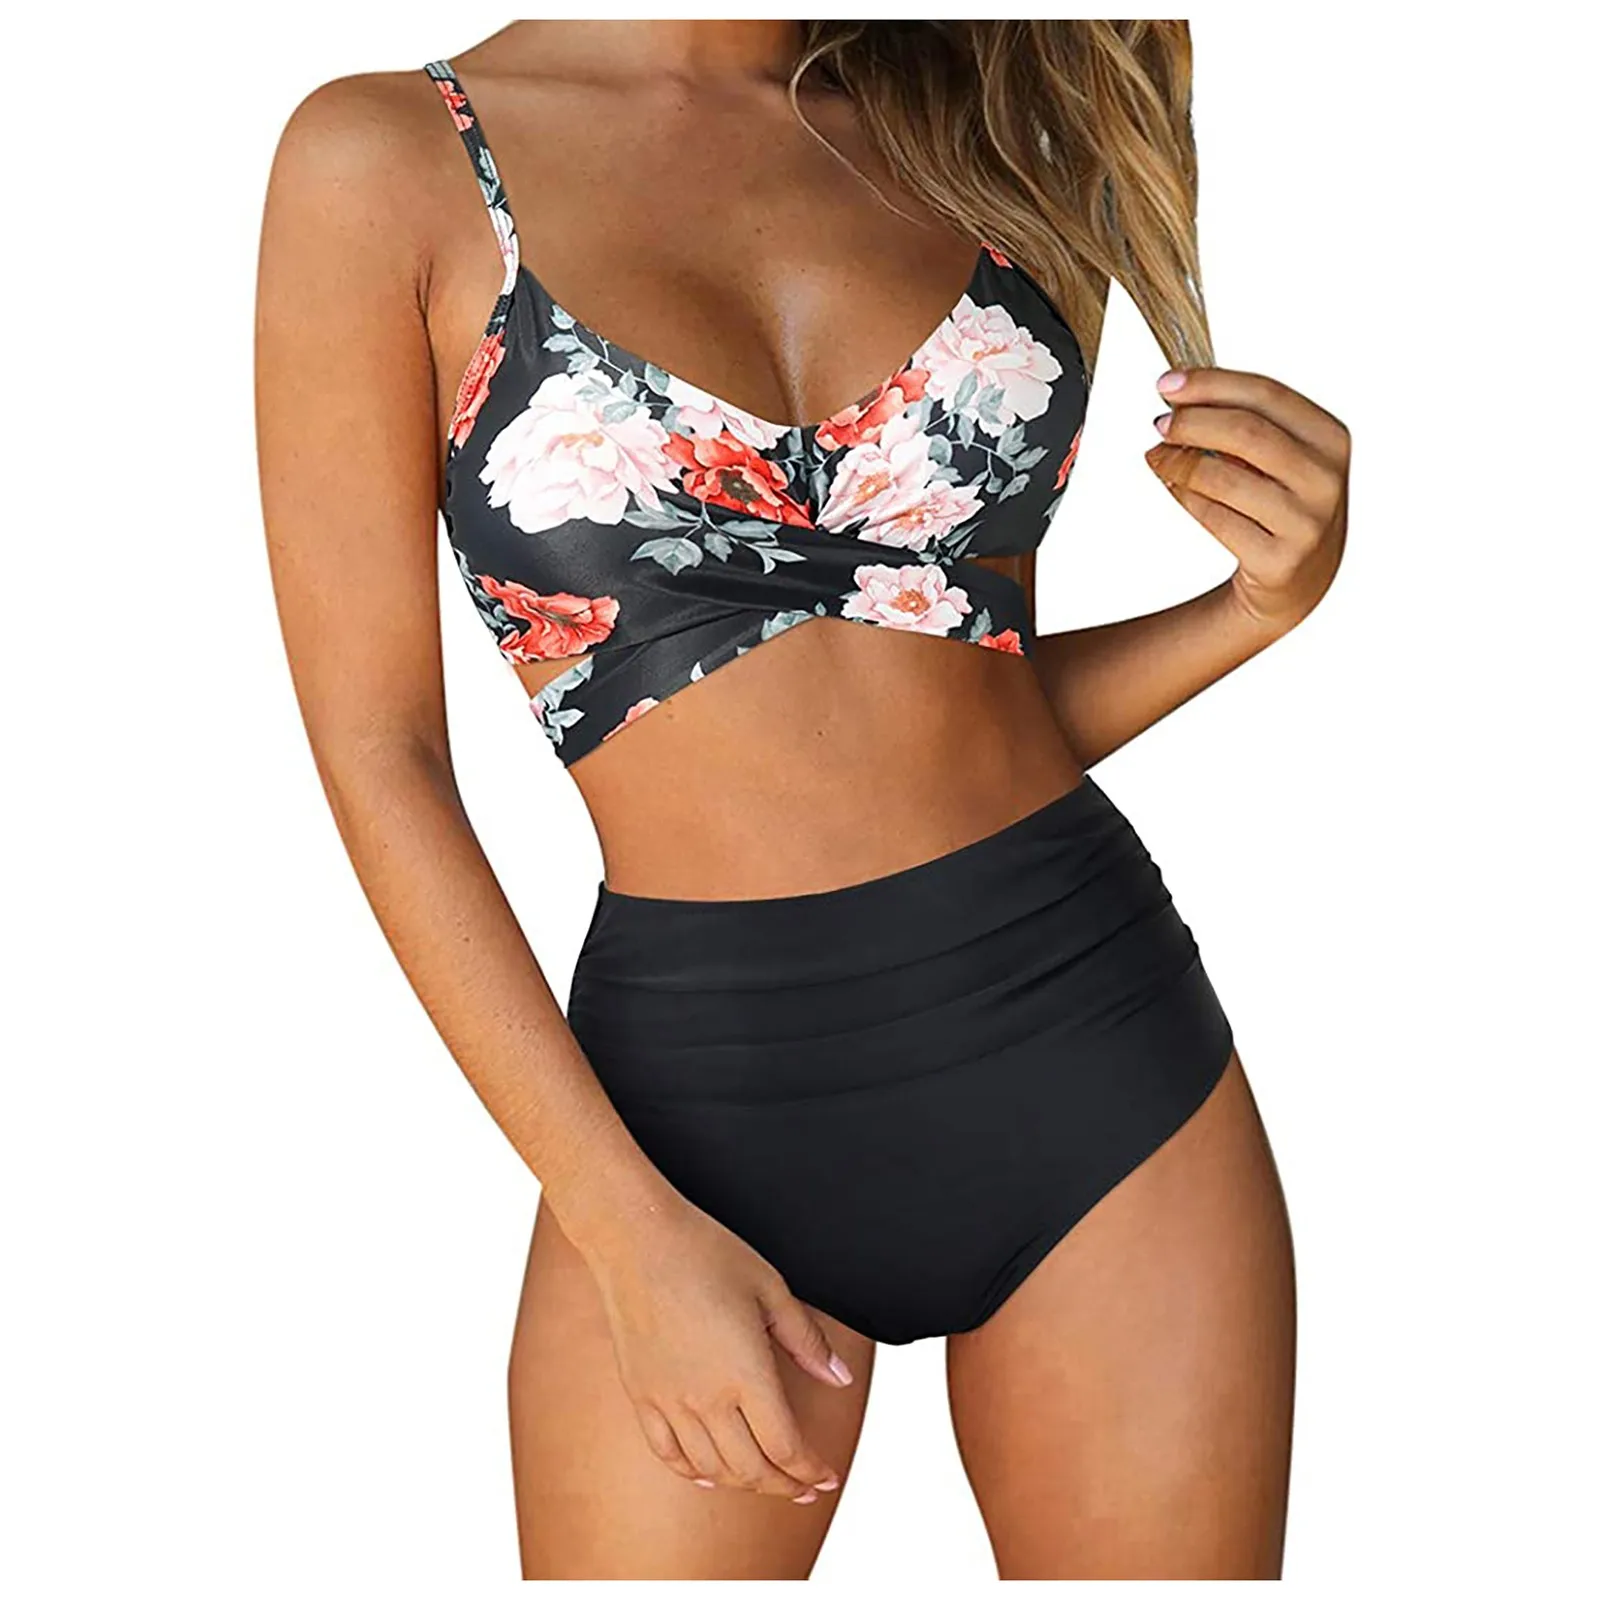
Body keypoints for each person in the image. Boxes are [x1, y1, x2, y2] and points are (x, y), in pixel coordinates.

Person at [254, 19, 1347, 1580]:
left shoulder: (986, 125)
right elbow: (382, 757)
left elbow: (966, 699)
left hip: (1100, 1050)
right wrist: (625, 1227)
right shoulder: (386, 164)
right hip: (695, 1114)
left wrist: (1254, 610)